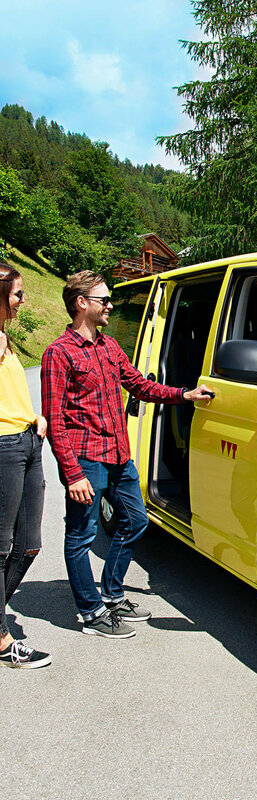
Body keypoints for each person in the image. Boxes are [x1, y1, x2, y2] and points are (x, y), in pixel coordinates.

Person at [41, 270, 212, 639]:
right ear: (81, 303)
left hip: (119, 456)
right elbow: (55, 422)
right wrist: (72, 474)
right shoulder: (58, 353)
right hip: (86, 459)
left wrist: (184, 395)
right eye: (104, 300)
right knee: (81, 536)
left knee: (136, 521)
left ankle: (113, 594)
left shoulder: (109, 346)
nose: (110, 305)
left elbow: (139, 385)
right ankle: (90, 612)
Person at [0, 263, 50, 668]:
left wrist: (36, 417)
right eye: (17, 293)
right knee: (1, 548)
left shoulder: (6, 339)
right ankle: (0, 638)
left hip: (28, 441)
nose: (22, 300)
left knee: (29, 543)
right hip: (3, 448)